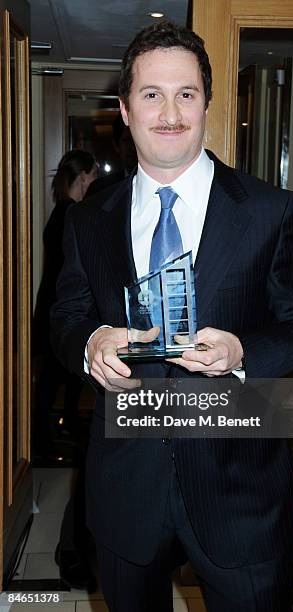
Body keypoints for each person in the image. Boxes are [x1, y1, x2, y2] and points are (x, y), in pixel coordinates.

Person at [51, 22, 293, 612]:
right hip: (126, 486)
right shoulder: (88, 221)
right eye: (151, 94)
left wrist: (243, 351)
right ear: (125, 110)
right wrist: (92, 341)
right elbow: (66, 316)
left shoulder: (268, 211)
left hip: (240, 489)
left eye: (186, 94)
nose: (170, 112)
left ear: (207, 102)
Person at [33, 149, 98, 591]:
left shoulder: (65, 212)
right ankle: (43, 437)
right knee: (52, 385)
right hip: (60, 317)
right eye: (92, 175)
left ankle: (56, 430)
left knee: (58, 385)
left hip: (55, 314)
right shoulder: (71, 216)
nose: (96, 180)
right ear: (83, 177)